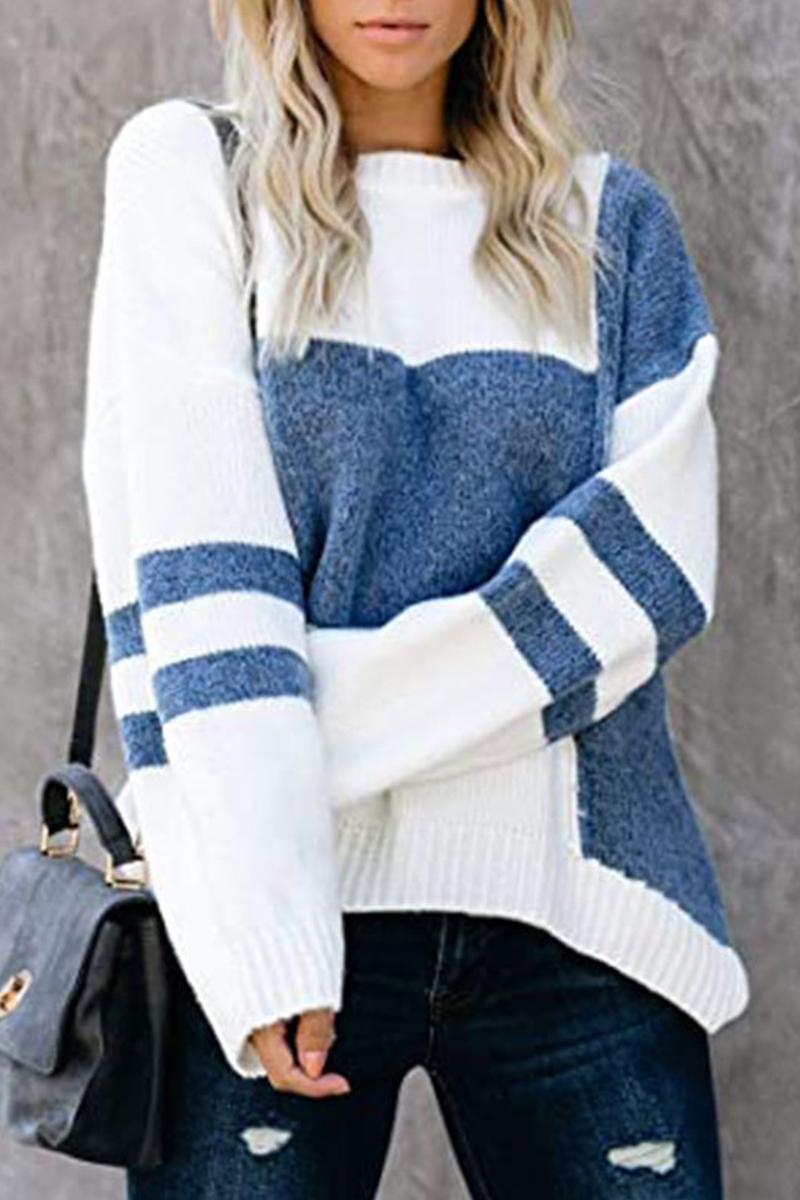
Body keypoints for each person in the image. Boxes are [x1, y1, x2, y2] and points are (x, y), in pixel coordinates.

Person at [80, 0, 751, 1195]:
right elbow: (197, 577)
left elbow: (646, 576)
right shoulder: (191, 177)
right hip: (270, 919)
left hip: (581, 919)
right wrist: (264, 925)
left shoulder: (610, 225)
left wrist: (280, 729)